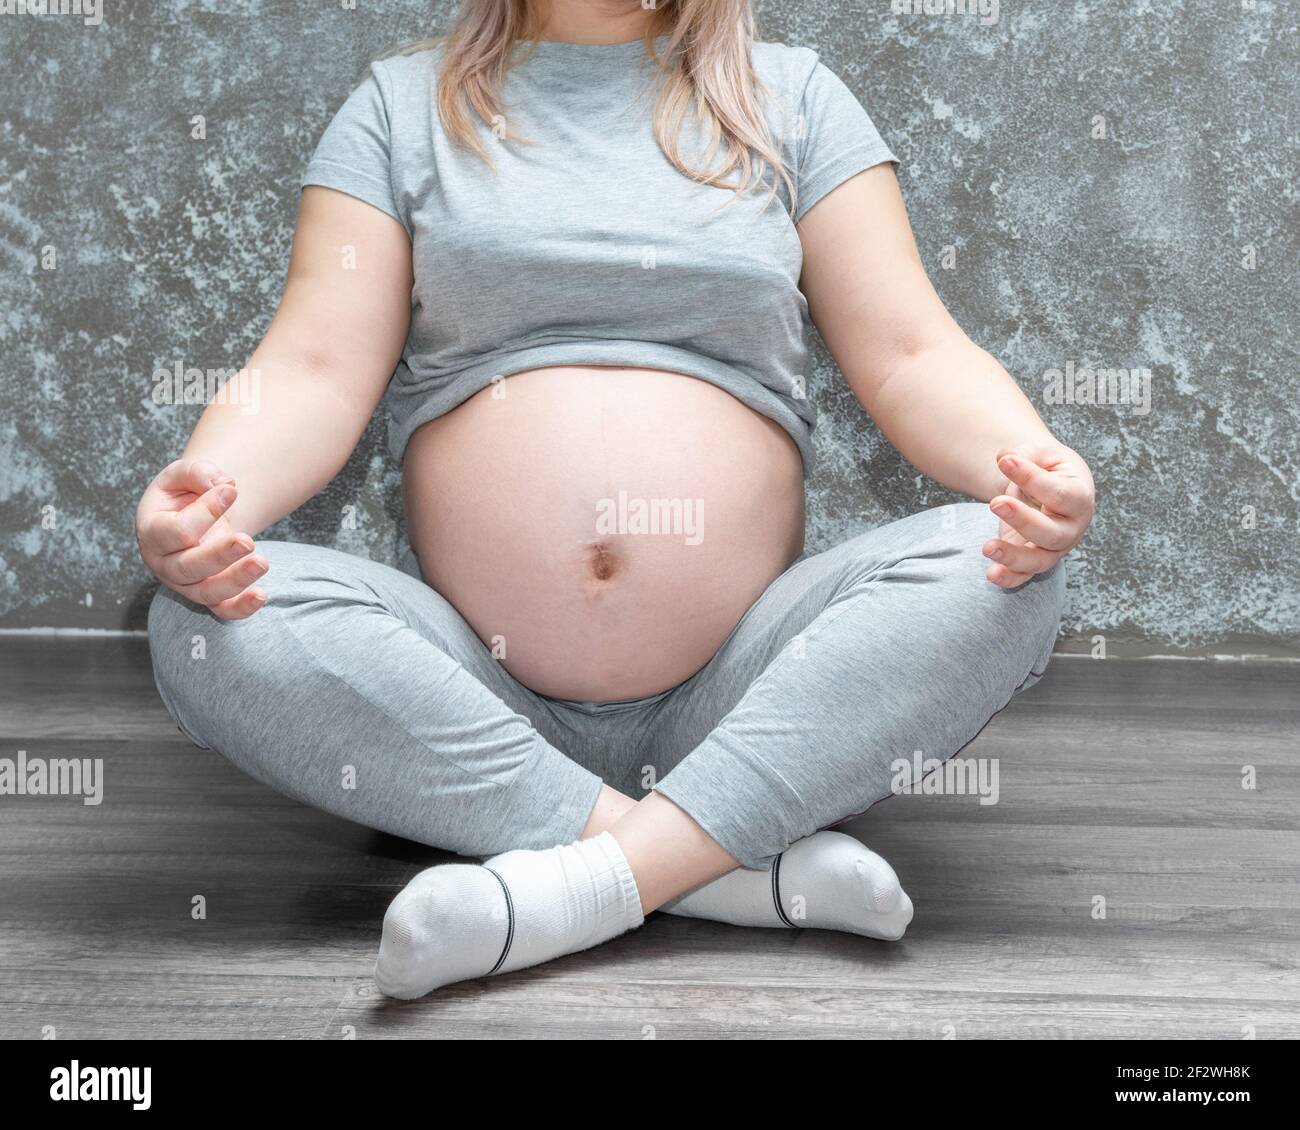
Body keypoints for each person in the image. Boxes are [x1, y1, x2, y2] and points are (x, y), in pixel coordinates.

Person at [138, 0, 1094, 999]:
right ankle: (710, 870)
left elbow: (911, 351)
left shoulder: (795, 100)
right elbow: (314, 369)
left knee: (1000, 569)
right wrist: (209, 501)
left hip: (741, 692)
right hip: (468, 697)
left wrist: (1025, 462)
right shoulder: (399, 106)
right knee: (200, 621)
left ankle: (573, 883)